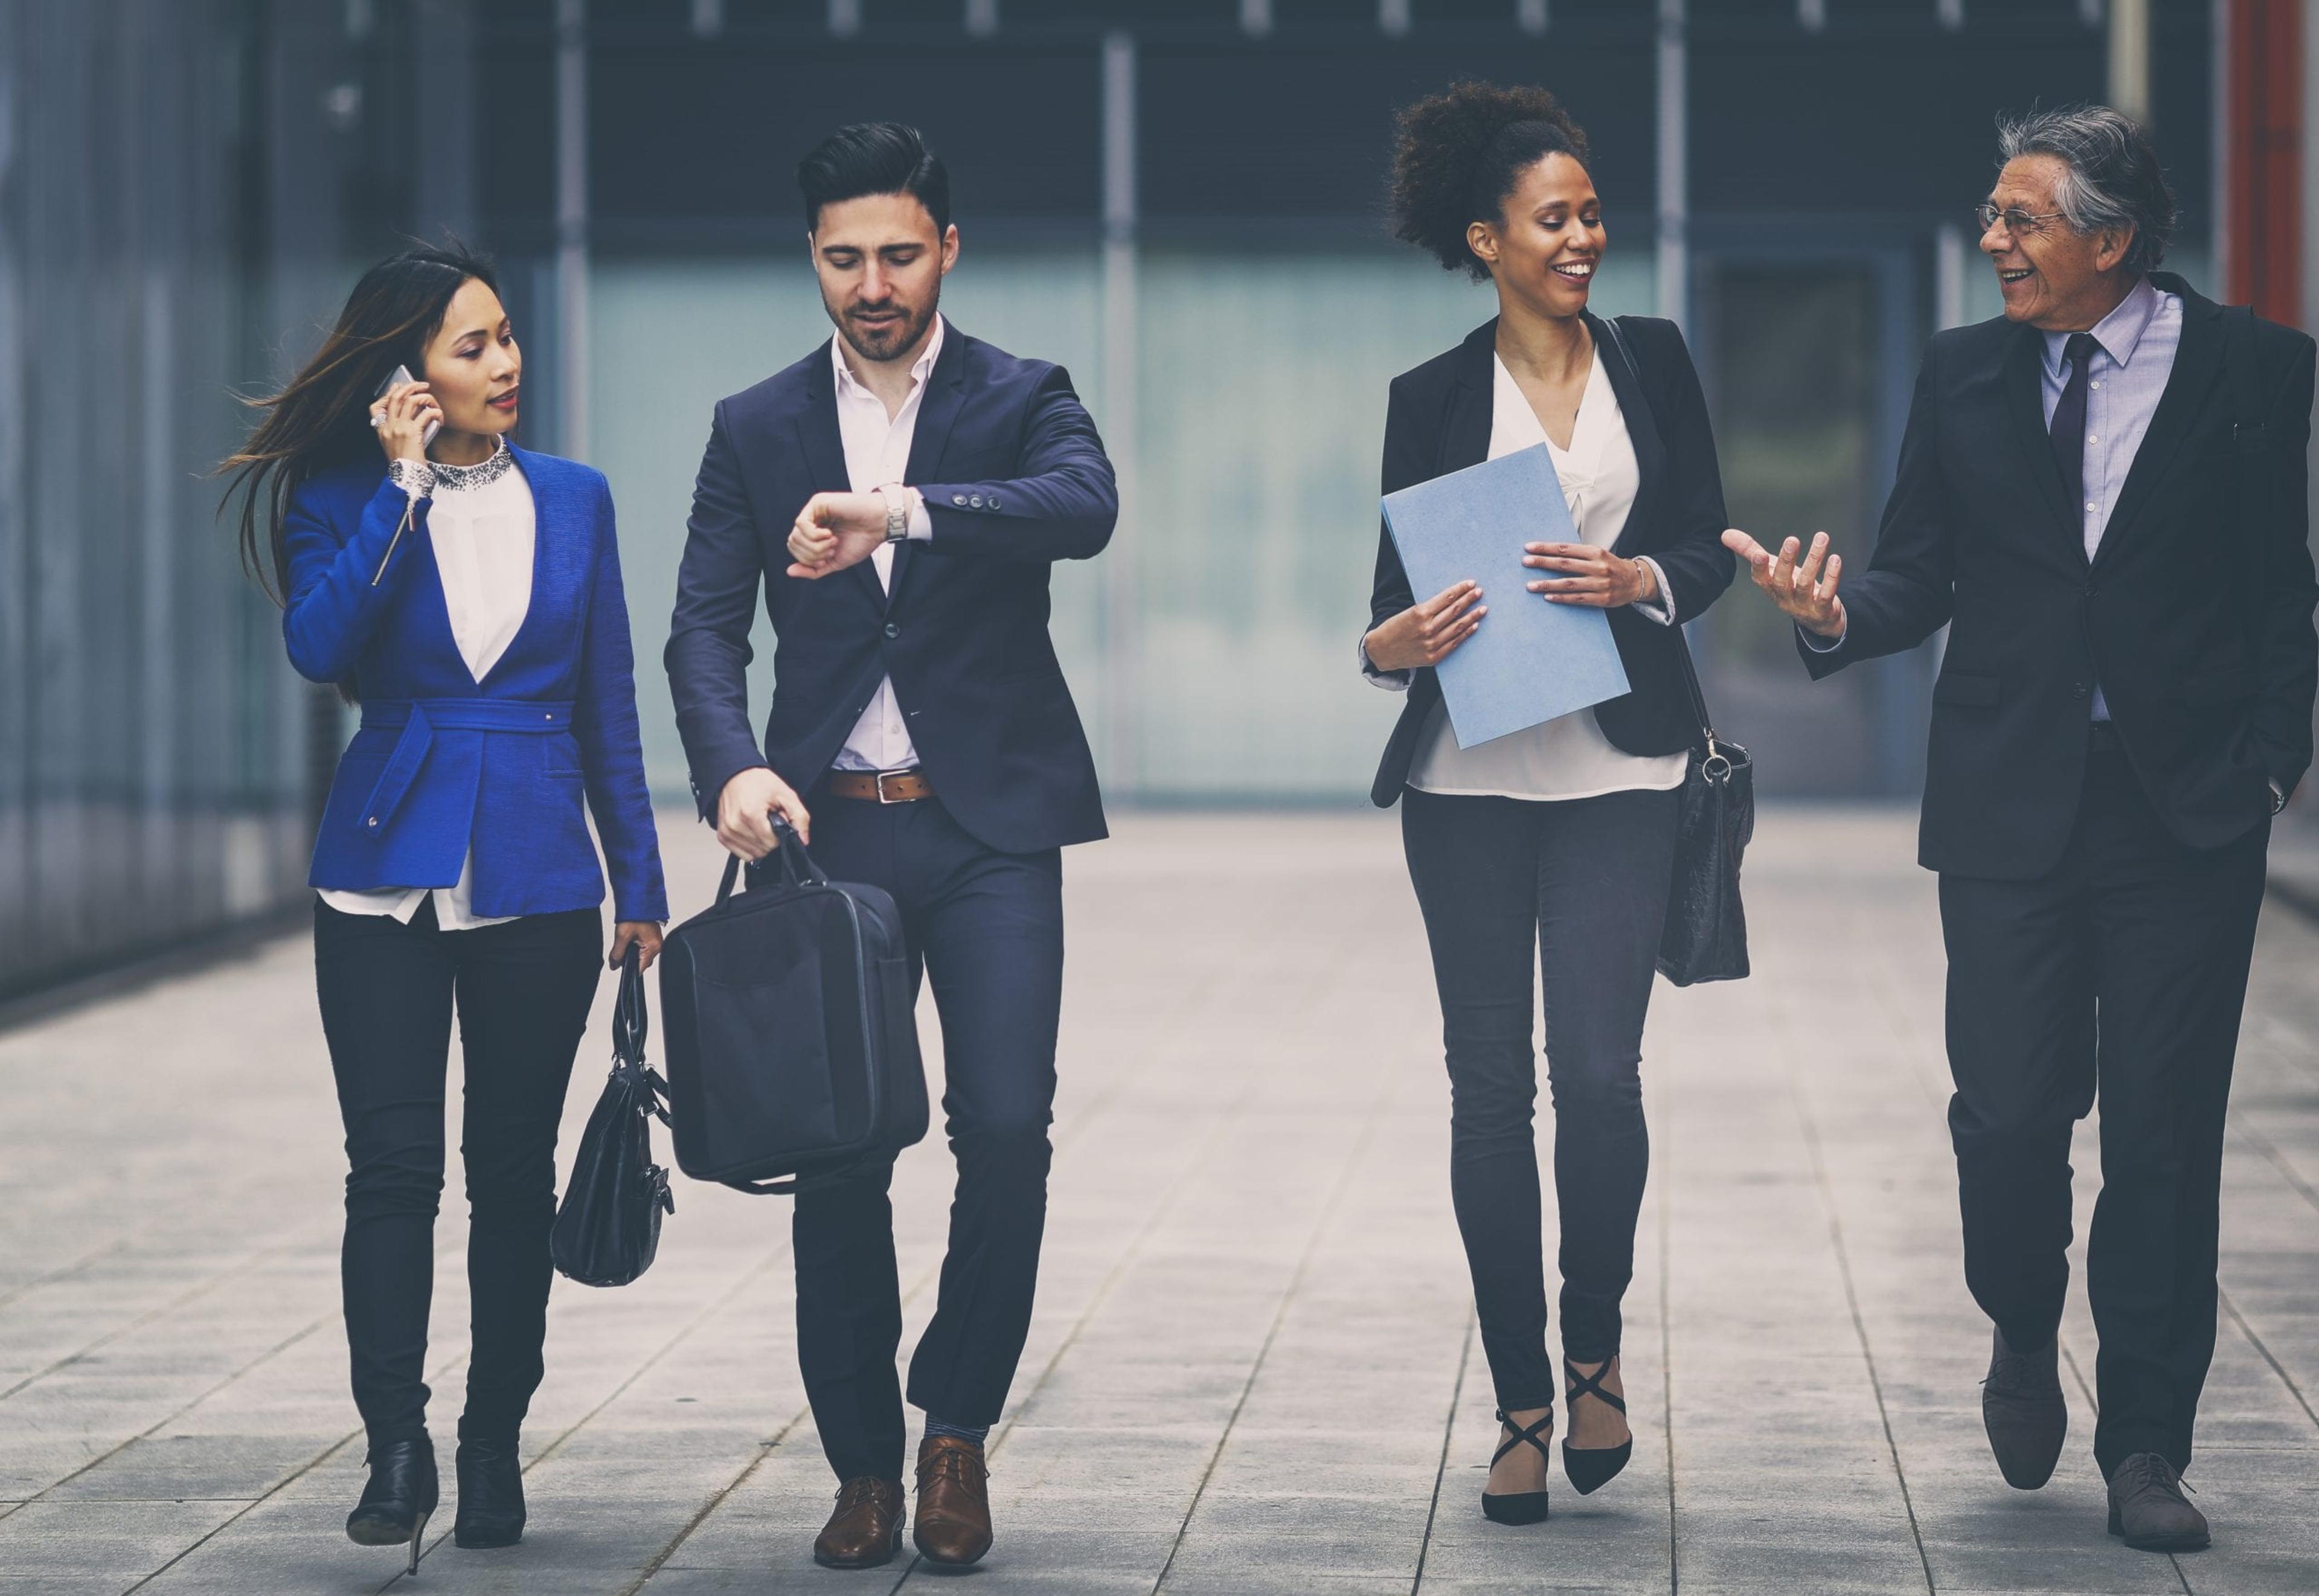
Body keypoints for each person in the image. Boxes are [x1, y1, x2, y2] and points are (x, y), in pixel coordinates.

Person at [1721, 106, 2315, 1553]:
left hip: (2186, 813)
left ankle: (2148, 1442)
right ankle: (2020, 1314)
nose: (1993, 241)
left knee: (2166, 1137)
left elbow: (2276, 583)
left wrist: (2270, 774)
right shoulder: (1967, 372)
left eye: (2021, 219)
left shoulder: (2256, 368)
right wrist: (1838, 614)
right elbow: (1920, 567)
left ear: (2110, 239)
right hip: (2005, 801)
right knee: (2006, 1115)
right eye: (1994, 217)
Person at [664, 121, 1115, 1571]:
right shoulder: (754, 423)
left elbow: (1084, 510)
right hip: (824, 841)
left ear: (949, 252)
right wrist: (728, 764)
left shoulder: (1020, 394)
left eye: (900, 254)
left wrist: (902, 512)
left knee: (1004, 1130)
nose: (874, 282)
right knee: (841, 1151)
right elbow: (700, 626)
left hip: (987, 829)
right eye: (846, 257)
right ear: (815, 258)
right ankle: (862, 1463)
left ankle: (954, 1433)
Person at [219, 243, 668, 1571]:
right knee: (393, 1172)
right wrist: (402, 487)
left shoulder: (577, 500)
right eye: (471, 346)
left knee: (513, 1178)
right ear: (406, 372)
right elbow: (321, 646)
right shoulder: (344, 492)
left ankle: (491, 1437)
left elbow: (609, 707)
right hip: (381, 869)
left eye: (507, 337)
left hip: (538, 869)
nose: (506, 363)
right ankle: (395, 1441)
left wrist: (639, 877)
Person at [1361, 82, 1737, 1525]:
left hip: (1624, 769)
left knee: (1597, 1077)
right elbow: (1389, 608)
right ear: (1486, 237)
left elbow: (1702, 539)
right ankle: (1519, 1393)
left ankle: (1596, 1344)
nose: (1584, 234)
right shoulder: (1431, 398)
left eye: (1591, 212)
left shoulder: (1652, 359)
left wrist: (1643, 579)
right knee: (1487, 1090)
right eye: (1554, 216)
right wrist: (1386, 646)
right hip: (1465, 781)